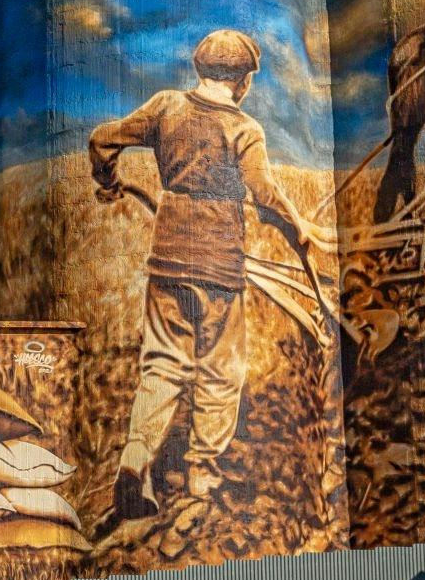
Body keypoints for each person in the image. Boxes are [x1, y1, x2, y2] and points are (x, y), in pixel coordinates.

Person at [88, 28, 335, 522]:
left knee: (162, 365)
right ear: (242, 81)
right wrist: (301, 232)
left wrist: (108, 180)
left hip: (168, 259)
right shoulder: (245, 130)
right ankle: (202, 475)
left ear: (200, 70)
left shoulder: (165, 106)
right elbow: (265, 198)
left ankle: (136, 459)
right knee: (221, 371)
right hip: (221, 265)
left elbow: (101, 139)